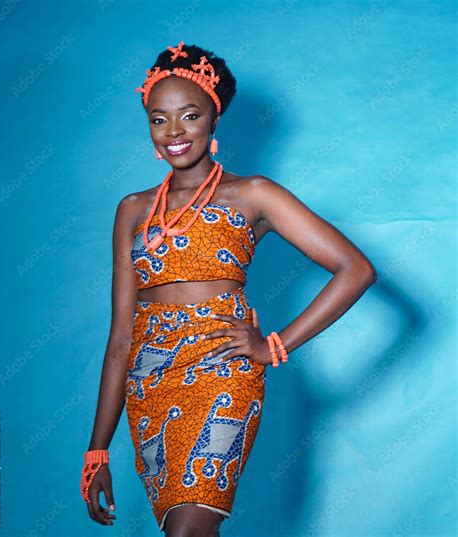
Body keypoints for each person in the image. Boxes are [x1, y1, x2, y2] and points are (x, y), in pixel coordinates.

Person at [80, 41, 377, 536]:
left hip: (222, 372)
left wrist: (273, 346)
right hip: (149, 380)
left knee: (189, 530)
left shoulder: (251, 194)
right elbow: (120, 338)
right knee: (187, 527)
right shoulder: (132, 209)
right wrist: (97, 449)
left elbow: (355, 269)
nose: (174, 132)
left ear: (213, 119)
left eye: (189, 115)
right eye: (159, 119)